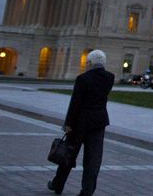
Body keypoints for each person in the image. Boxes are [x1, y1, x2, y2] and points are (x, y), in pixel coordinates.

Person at [48, 49, 113, 195]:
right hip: (98, 123)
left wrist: (68, 123)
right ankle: (87, 191)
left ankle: (58, 184)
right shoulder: (110, 78)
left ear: (90, 63)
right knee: (93, 159)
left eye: (87, 63)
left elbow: (75, 103)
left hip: (79, 123)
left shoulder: (83, 78)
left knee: (68, 155)